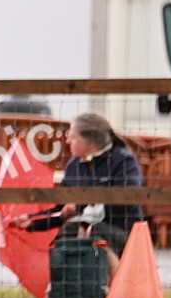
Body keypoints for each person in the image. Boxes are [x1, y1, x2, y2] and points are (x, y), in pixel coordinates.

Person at [15, 112, 144, 280]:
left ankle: (117, 293)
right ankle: (65, 294)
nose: (68, 141)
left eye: (73, 137)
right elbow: (62, 211)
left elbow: (127, 200)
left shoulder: (123, 161)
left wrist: (81, 205)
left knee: (94, 232)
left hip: (123, 231)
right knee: (66, 234)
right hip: (83, 227)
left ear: (89, 140)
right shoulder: (73, 166)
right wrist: (32, 221)